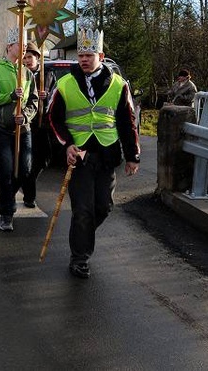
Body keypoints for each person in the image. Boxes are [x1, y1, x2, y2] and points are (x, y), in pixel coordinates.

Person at [47, 29, 140, 278]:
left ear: (101, 55)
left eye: (89, 55)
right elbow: (53, 119)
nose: (84, 59)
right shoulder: (64, 84)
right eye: (81, 55)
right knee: (83, 210)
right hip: (78, 157)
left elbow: (127, 121)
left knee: (104, 207)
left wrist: (132, 156)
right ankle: (79, 257)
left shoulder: (119, 85)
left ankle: (82, 234)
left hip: (107, 155)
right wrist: (66, 144)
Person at [0, 28, 38, 232]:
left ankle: (8, 194)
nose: (24, 48)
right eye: (20, 44)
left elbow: (33, 101)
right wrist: (10, 97)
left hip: (23, 131)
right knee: (6, 172)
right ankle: (7, 213)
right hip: (2, 130)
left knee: (25, 171)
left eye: (25, 45)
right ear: (9, 46)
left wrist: (27, 116)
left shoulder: (27, 73)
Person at [20, 41, 57, 208]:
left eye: (30, 57)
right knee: (29, 159)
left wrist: (46, 96)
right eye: (25, 57)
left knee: (45, 158)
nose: (27, 60)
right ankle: (29, 196)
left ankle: (27, 181)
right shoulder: (21, 75)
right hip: (29, 123)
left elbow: (56, 96)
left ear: (37, 58)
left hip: (45, 123)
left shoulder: (48, 74)